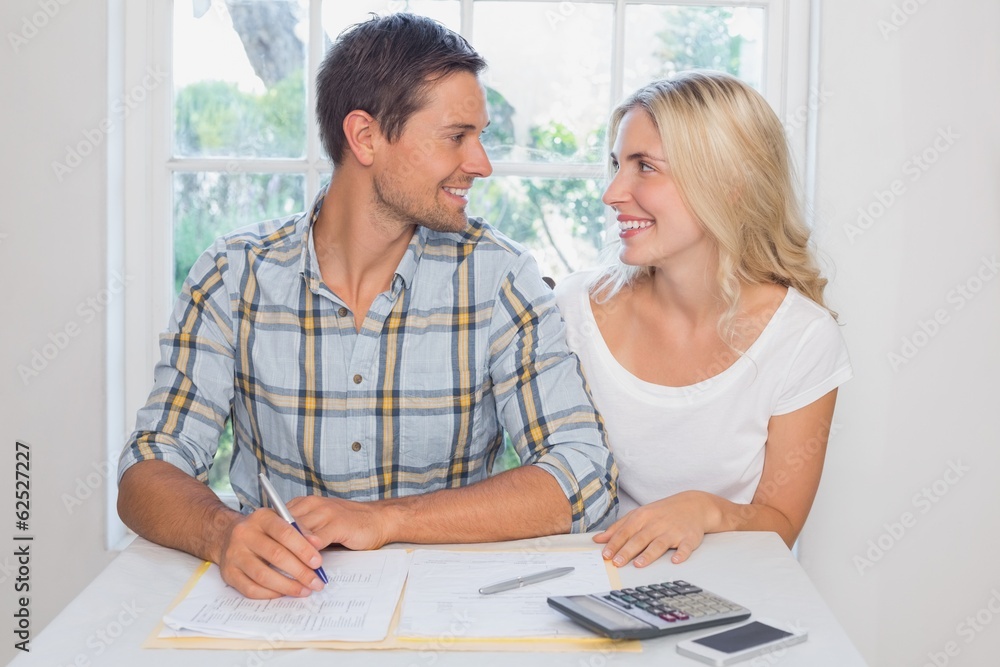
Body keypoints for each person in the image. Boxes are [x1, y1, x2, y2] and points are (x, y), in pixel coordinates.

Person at [117, 13, 617, 600]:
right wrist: (221, 533)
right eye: (456, 137)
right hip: (280, 609)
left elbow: (583, 473)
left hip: (448, 609)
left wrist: (386, 520)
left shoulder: (500, 276)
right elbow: (148, 468)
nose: (481, 163)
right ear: (365, 137)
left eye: (479, 136)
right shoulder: (233, 274)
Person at [554, 71, 852, 569]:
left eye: (645, 167)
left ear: (729, 183)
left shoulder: (801, 337)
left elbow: (781, 522)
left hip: (724, 593)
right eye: (617, 164)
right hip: (588, 585)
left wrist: (707, 509)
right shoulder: (574, 308)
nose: (612, 192)